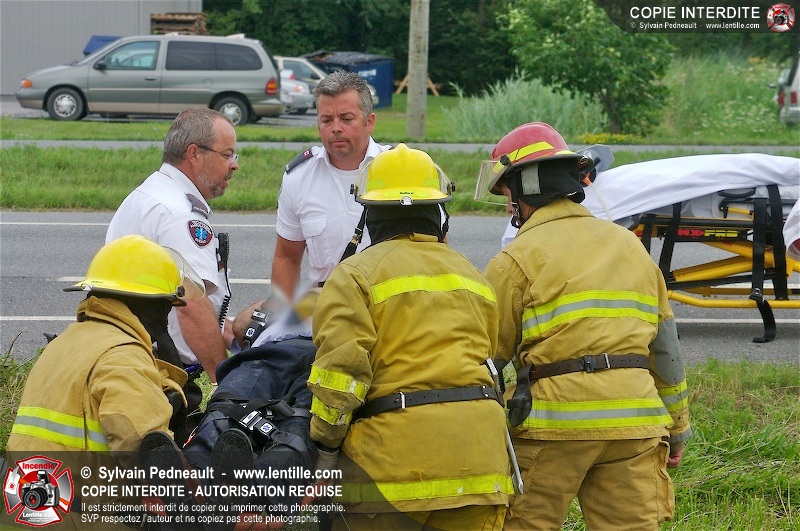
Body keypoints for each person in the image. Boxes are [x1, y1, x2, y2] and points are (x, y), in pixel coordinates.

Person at [475, 122, 692, 530]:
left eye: (507, 195)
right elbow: (665, 350)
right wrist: (677, 428)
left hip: (553, 426)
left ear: (526, 190)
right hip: (634, 424)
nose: (508, 207)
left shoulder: (514, 260)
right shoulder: (630, 246)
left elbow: (484, 359)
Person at [308, 144, 512, 530]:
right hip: (481, 467)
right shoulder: (474, 275)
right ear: (438, 213)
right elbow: (490, 358)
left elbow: (341, 376)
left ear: (370, 215)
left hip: (392, 474)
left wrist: (326, 448)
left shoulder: (355, 275)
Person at [233, 70, 390, 348]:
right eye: (327, 120)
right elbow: (287, 257)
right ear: (318, 125)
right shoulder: (299, 176)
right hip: (322, 300)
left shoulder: (400, 170)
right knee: (245, 326)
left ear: (370, 122)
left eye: (346, 119)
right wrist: (280, 312)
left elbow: (436, 249)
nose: (336, 128)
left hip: (384, 301)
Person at [7, 235, 202, 456]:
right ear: (153, 305)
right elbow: (149, 454)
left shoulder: (62, 343)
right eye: (166, 306)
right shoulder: (123, 358)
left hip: (29, 475)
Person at [106, 107, 237, 436]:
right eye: (227, 154)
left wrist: (233, 333)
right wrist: (227, 383)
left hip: (129, 361)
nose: (234, 164)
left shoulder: (148, 193)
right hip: (160, 376)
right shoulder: (181, 214)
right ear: (195, 154)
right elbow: (191, 306)